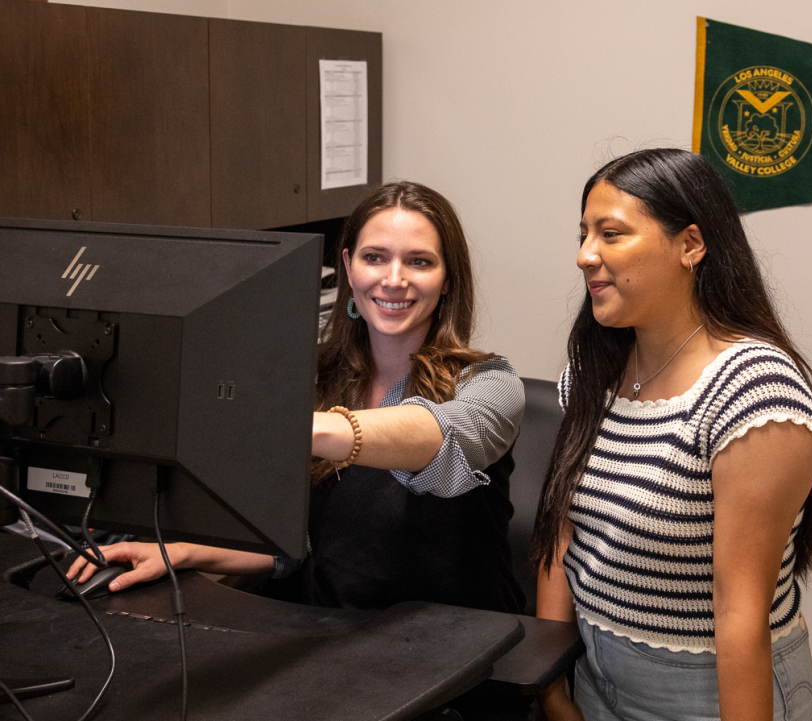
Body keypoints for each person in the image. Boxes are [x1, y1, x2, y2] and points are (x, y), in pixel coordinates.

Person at [68, 181, 526, 615]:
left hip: (457, 652)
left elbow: (445, 436)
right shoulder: (312, 379)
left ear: (448, 279)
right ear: (348, 268)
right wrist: (183, 551)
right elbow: (301, 547)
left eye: (420, 262)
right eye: (374, 257)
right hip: (335, 639)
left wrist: (296, 427)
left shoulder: (491, 384)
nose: (394, 279)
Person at [531, 149, 812, 721]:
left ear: (691, 245)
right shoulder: (591, 376)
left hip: (709, 690)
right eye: (584, 234)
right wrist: (550, 687)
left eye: (611, 234)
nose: (584, 256)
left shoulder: (754, 390)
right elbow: (561, 536)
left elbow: (739, 609)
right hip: (595, 674)